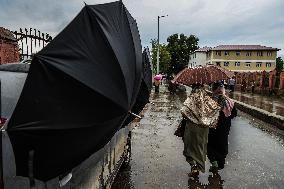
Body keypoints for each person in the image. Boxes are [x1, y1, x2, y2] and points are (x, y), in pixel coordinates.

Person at [181, 84, 220, 177]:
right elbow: (215, 109)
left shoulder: (192, 98)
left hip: (192, 127)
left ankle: (193, 166)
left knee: (189, 147)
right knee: (200, 147)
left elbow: (184, 111)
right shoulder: (207, 98)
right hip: (203, 128)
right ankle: (200, 165)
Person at [207, 82, 237, 172]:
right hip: (225, 126)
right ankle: (221, 164)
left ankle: (214, 162)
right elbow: (234, 114)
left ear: (213, 89)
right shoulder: (229, 101)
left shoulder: (210, 100)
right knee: (222, 143)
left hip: (213, 126)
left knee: (209, 144)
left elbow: (205, 114)